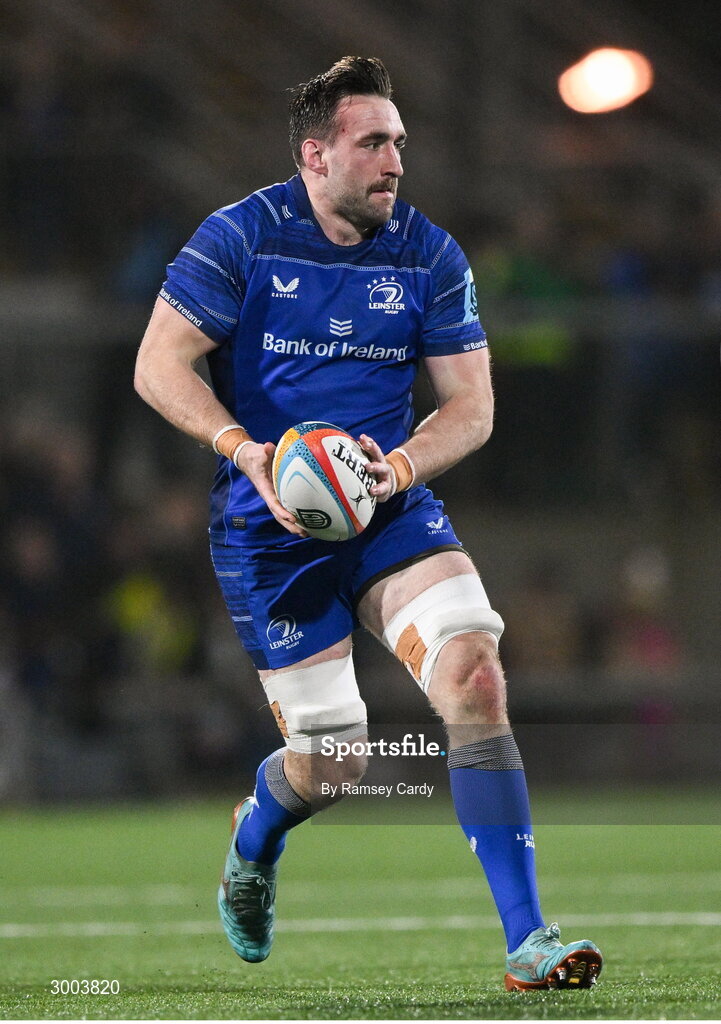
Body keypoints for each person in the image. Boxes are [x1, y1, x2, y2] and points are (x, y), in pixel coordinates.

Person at [134, 56, 602, 991]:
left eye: (399, 143)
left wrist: (399, 467)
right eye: (373, 143)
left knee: (474, 674)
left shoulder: (428, 254)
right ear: (315, 154)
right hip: (268, 530)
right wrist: (246, 452)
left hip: (387, 508)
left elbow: (470, 407)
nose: (395, 162)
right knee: (334, 766)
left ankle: (527, 940)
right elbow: (158, 365)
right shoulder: (241, 238)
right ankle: (255, 837)